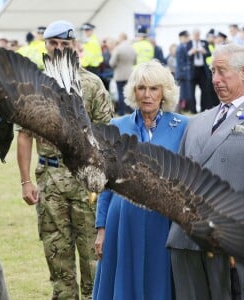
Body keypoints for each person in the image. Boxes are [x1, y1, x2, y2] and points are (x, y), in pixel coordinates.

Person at [167, 43, 244, 300]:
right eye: (212, 72)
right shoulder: (197, 121)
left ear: (243, 72)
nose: (215, 79)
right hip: (184, 240)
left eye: (222, 71)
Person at [16, 20, 114, 300]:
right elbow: (24, 135)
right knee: (56, 255)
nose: (59, 50)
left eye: (65, 45)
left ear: (75, 48)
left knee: (92, 258)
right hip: (49, 180)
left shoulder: (92, 85)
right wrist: (25, 181)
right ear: (45, 47)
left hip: (86, 183)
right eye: (53, 44)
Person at [92, 59, 189, 300]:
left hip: (164, 222)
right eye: (141, 88)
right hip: (122, 220)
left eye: (154, 88)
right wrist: (101, 228)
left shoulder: (184, 127)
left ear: (164, 92)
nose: (147, 95)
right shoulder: (116, 126)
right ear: (133, 91)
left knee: (160, 281)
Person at [109, 32, 136, 115]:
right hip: (130, 74)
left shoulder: (118, 48)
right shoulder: (132, 48)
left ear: (121, 38)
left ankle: (121, 112)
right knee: (129, 93)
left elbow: (112, 63)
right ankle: (131, 111)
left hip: (119, 74)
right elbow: (135, 61)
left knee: (121, 93)